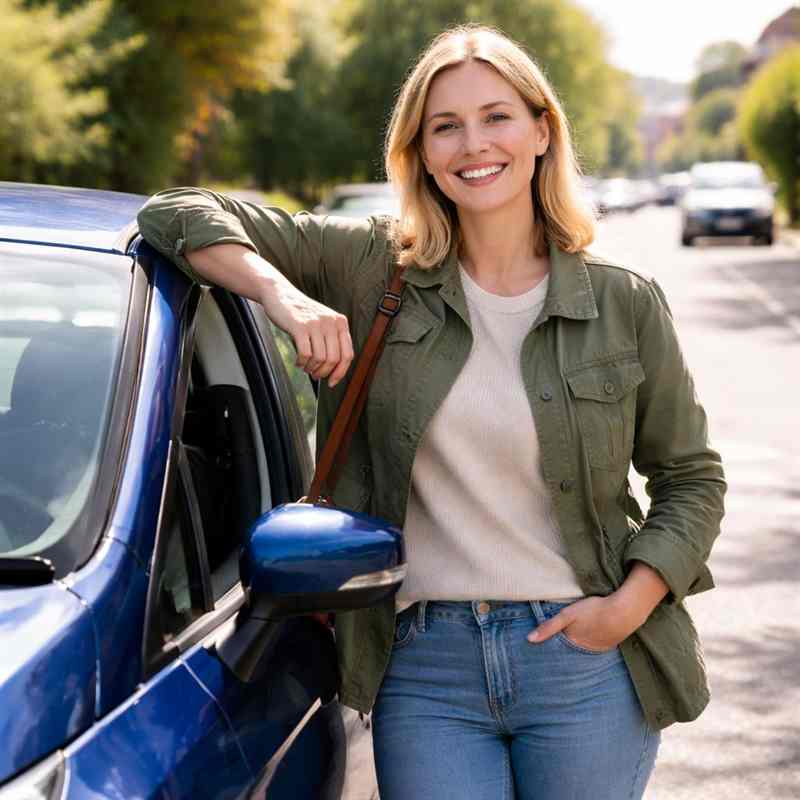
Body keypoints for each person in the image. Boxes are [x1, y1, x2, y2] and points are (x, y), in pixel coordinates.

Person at [137, 24, 725, 800]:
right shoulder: (372, 266)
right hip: (425, 661)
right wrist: (285, 297)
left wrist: (628, 607)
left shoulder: (621, 302)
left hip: (583, 659)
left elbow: (691, 477)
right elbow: (175, 211)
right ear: (419, 150)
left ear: (542, 129)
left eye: (496, 117)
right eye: (445, 125)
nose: (472, 144)